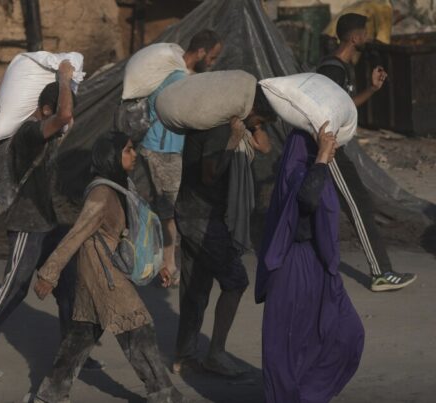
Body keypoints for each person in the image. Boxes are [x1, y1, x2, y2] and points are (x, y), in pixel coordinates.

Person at [31, 132, 184, 403]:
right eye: (127, 150)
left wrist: (157, 263)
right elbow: (76, 235)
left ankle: (51, 393)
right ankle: (163, 392)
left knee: (81, 337)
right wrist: (49, 274)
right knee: (139, 329)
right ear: (111, 156)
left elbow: (134, 233)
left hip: (104, 270)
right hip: (102, 274)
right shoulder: (101, 194)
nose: (134, 155)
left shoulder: (120, 186)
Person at [0, 61, 81, 380]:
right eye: (63, 111)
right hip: (28, 222)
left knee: (68, 286)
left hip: (50, 221)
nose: (70, 120)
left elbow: (66, 120)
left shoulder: (49, 136)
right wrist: (64, 79)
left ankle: (72, 352)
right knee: (15, 287)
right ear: (47, 109)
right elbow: (64, 116)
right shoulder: (29, 133)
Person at [172, 86, 276, 377]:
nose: (260, 128)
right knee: (236, 280)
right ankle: (215, 354)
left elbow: (265, 147)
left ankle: (185, 356)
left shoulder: (222, 121)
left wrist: (252, 126)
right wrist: (232, 140)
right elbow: (210, 175)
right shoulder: (220, 130)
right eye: (260, 120)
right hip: (202, 218)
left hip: (192, 212)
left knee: (196, 288)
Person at [256, 124, 364, 402]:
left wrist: (323, 160)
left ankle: (307, 396)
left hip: (318, 265)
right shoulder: (299, 170)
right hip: (293, 267)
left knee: (347, 332)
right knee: (289, 348)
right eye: (327, 142)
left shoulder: (314, 170)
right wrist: (320, 160)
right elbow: (307, 199)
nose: (333, 147)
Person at [317, 12, 416, 292]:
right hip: (331, 149)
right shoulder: (332, 69)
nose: (368, 38)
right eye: (365, 33)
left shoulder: (342, 68)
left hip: (336, 148)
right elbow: (323, 112)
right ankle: (381, 272)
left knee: (348, 204)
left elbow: (346, 105)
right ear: (355, 37)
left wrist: (372, 89)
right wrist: (327, 147)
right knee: (357, 205)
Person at [139, 29, 224, 288]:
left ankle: (158, 262)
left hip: (160, 146)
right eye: (211, 57)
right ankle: (168, 265)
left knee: (162, 208)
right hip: (163, 148)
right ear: (199, 53)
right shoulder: (177, 77)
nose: (212, 62)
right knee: (169, 209)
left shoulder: (176, 73)